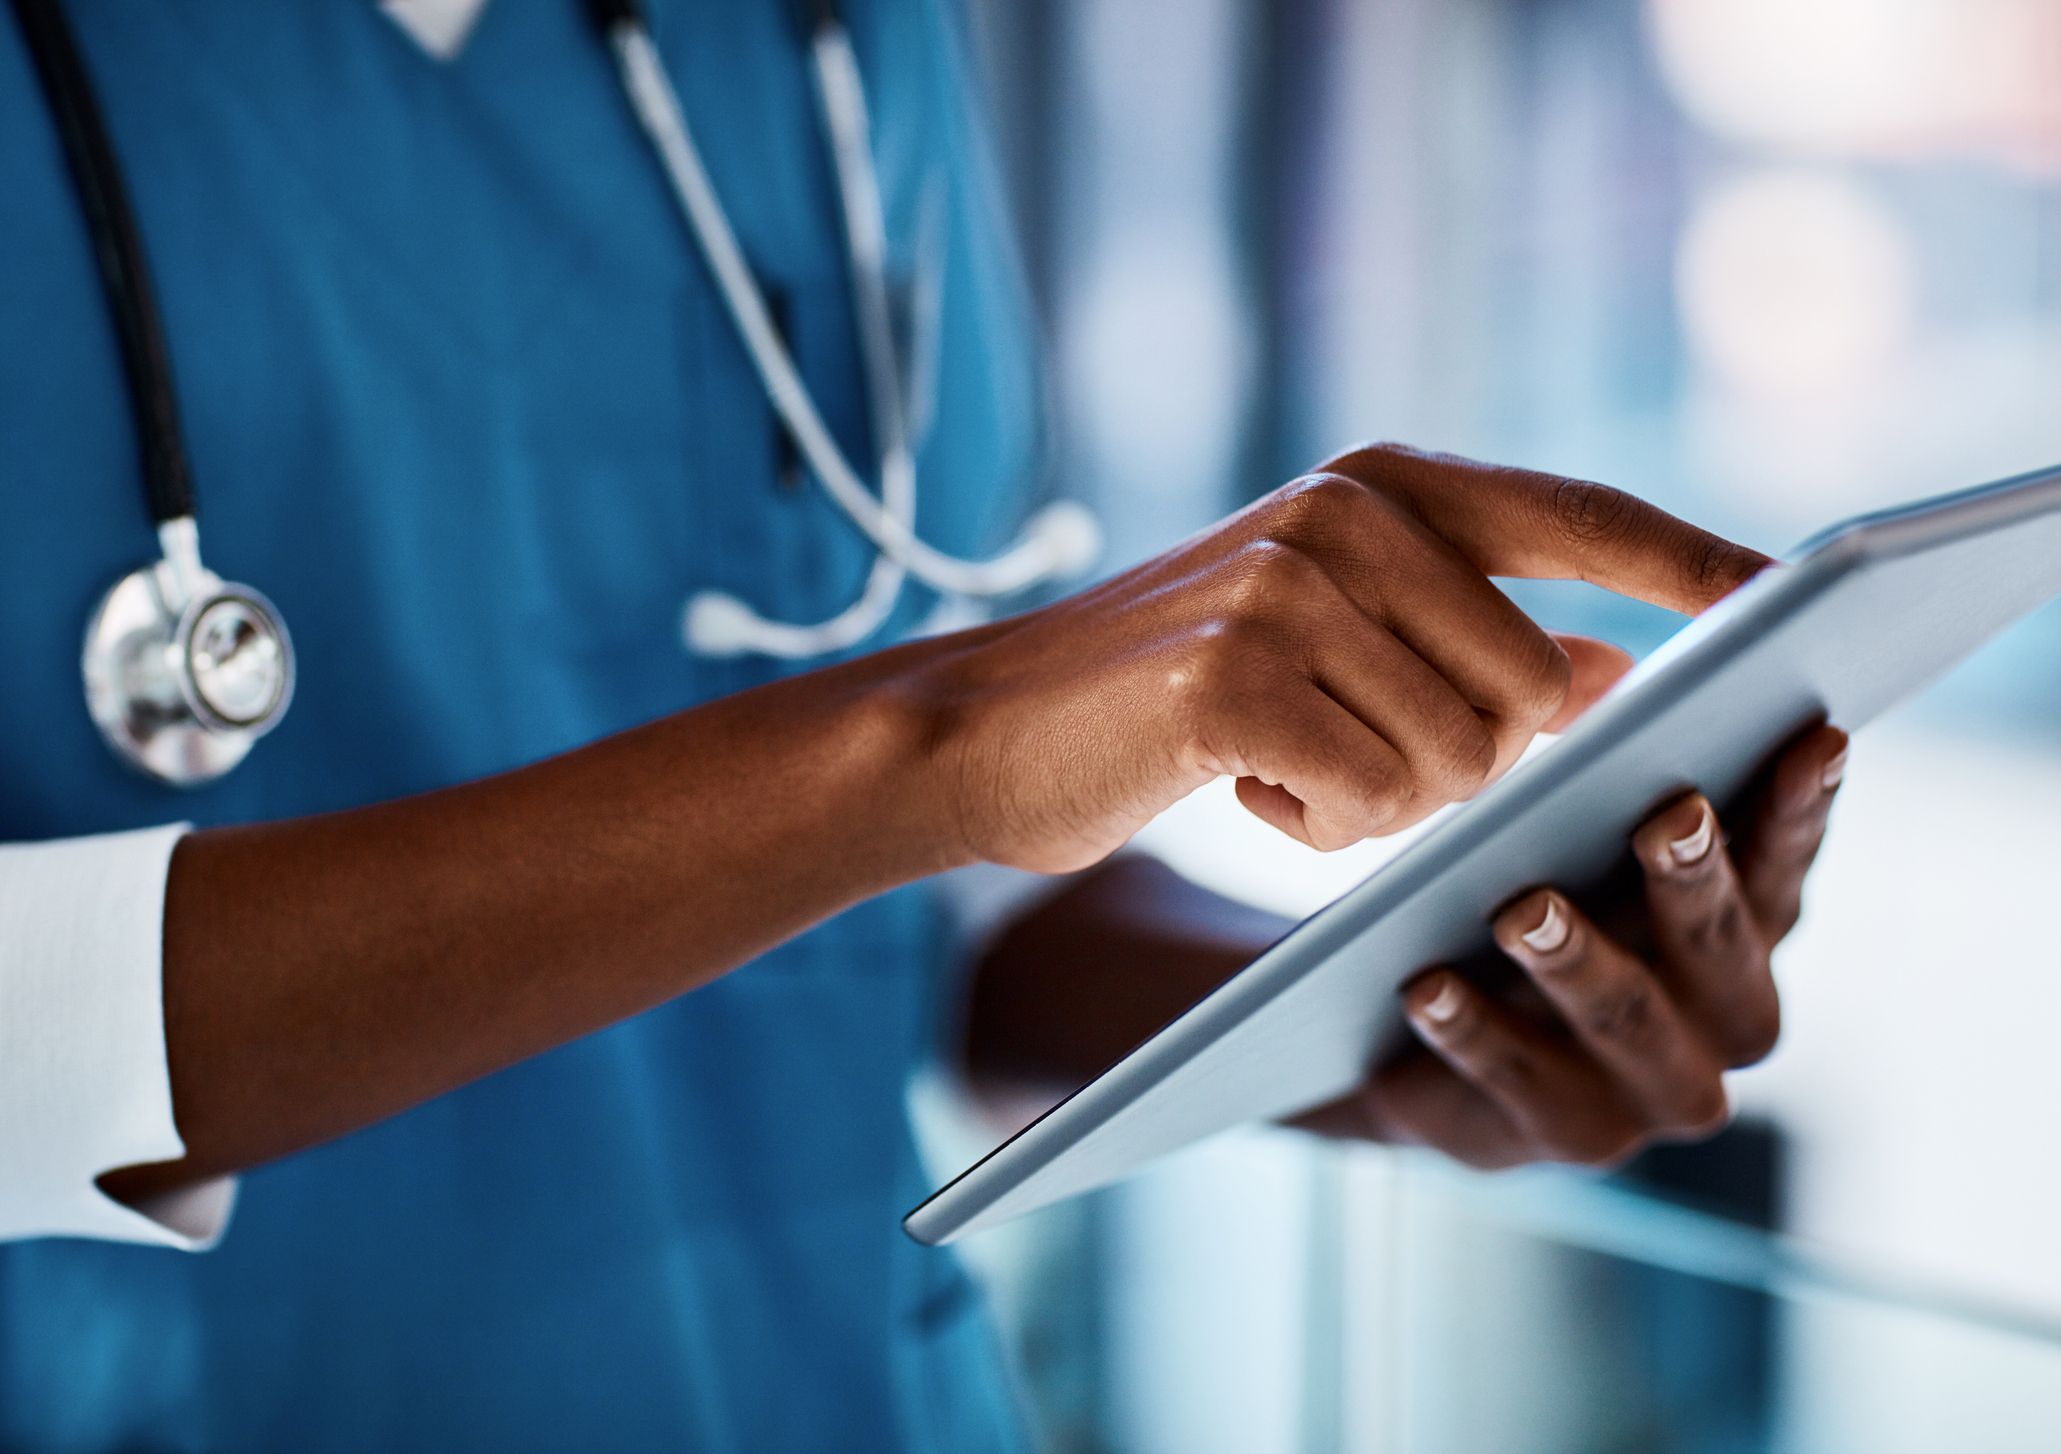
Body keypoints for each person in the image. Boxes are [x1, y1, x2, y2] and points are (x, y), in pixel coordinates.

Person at [0, 1, 1846, 1449]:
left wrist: (1387, 1014)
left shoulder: (829, 36)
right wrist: (932, 740)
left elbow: (924, 910)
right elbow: (926, 763)